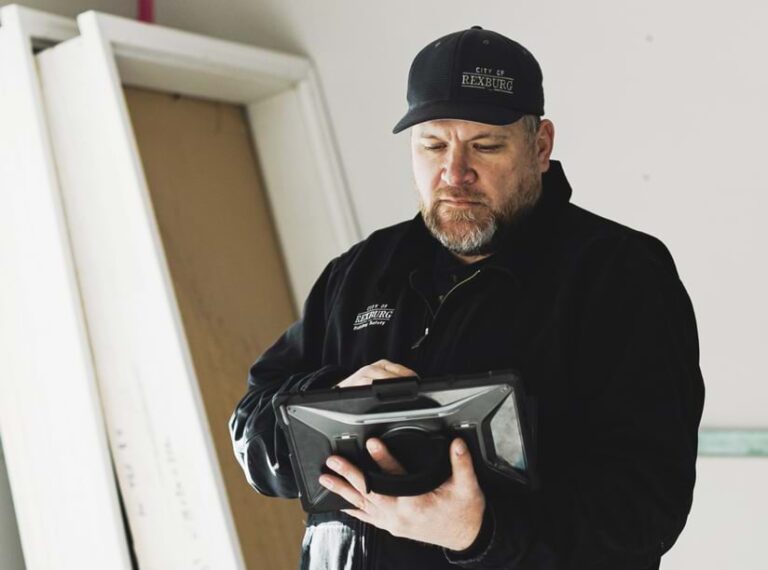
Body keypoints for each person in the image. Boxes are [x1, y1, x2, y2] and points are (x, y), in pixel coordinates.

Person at [229, 25, 704, 570]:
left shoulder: (621, 276)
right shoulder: (361, 271)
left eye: (486, 145)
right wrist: (333, 401)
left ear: (540, 147)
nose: (455, 173)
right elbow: (251, 428)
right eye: (433, 145)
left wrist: (481, 532)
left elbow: (646, 507)